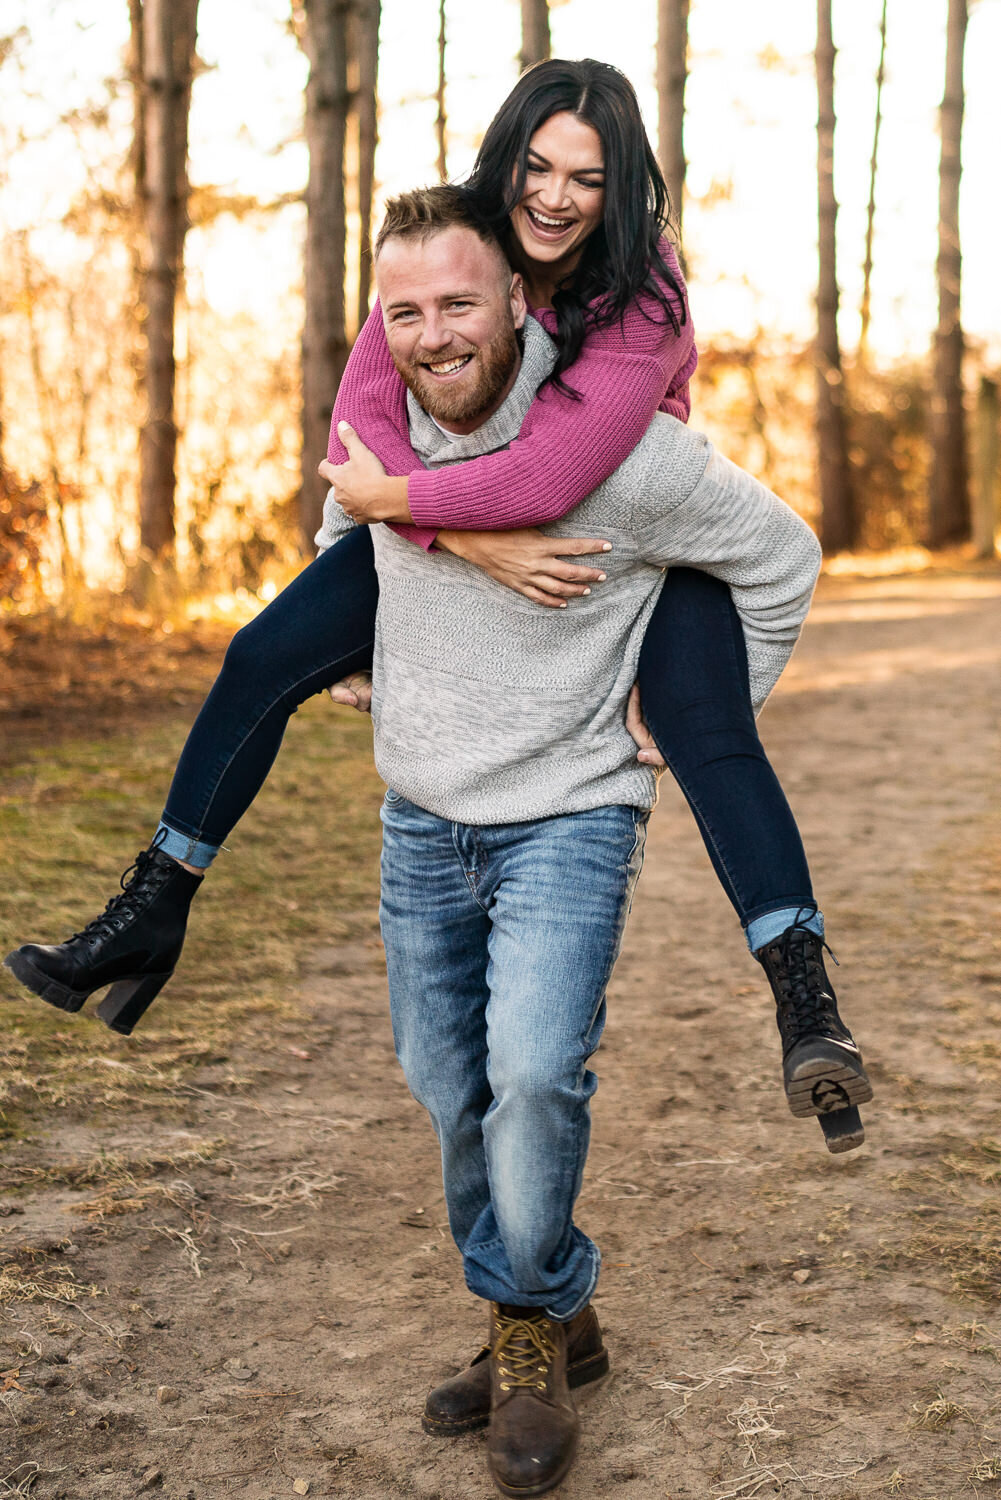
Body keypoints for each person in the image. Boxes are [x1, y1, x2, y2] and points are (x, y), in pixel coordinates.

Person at [3, 58, 870, 1152]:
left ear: (621, 190)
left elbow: (554, 479)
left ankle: (803, 1000)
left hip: (636, 523)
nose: (555, 198)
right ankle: (154, 905)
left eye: (588, 178)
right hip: (453, 511)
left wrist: (436, 519)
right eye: (537, 167)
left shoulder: (640, 295)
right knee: (261, 652)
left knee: (705, 729)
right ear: (502, 161)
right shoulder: (453, 249)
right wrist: (442, 542)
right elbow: (356, 442)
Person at [317, 180, 830, 1497]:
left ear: (517, 301)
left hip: (571, 812)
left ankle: (525, 1329)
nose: (434, 334)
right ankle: (554, 1306)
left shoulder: (627, 453)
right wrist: (344, 635)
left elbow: (782, 554)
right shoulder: (383, 430)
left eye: (459, 304)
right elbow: (344, 523)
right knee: (450, 1089)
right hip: (422, 814)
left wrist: (706, 712)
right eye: (405, 312)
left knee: (536, 1073)